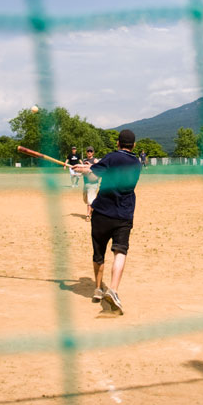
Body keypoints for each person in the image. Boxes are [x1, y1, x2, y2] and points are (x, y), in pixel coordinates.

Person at [72, 129, 142, 315]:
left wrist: (84, 171)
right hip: (124, 214)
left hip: (102, 212)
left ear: (118, 143)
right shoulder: (137, 162)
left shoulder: (111, 158)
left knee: (99, 250)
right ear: (133, 146)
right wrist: (87, 168)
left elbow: (94, 176)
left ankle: (97, 288)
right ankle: (113, 289)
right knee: (121, 250)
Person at [82, 146, 100, 222]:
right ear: (86, 152)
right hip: (86, 183)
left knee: (89, 200)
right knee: (86, 199)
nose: (89, 152)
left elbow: (100, 168)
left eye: (91, 151)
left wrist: (90, 165)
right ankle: (94, 210)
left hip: (93, 183)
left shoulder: (95, 160)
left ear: (93, 152)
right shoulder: (84, 160)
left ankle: (88, 215)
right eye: (88, 151)